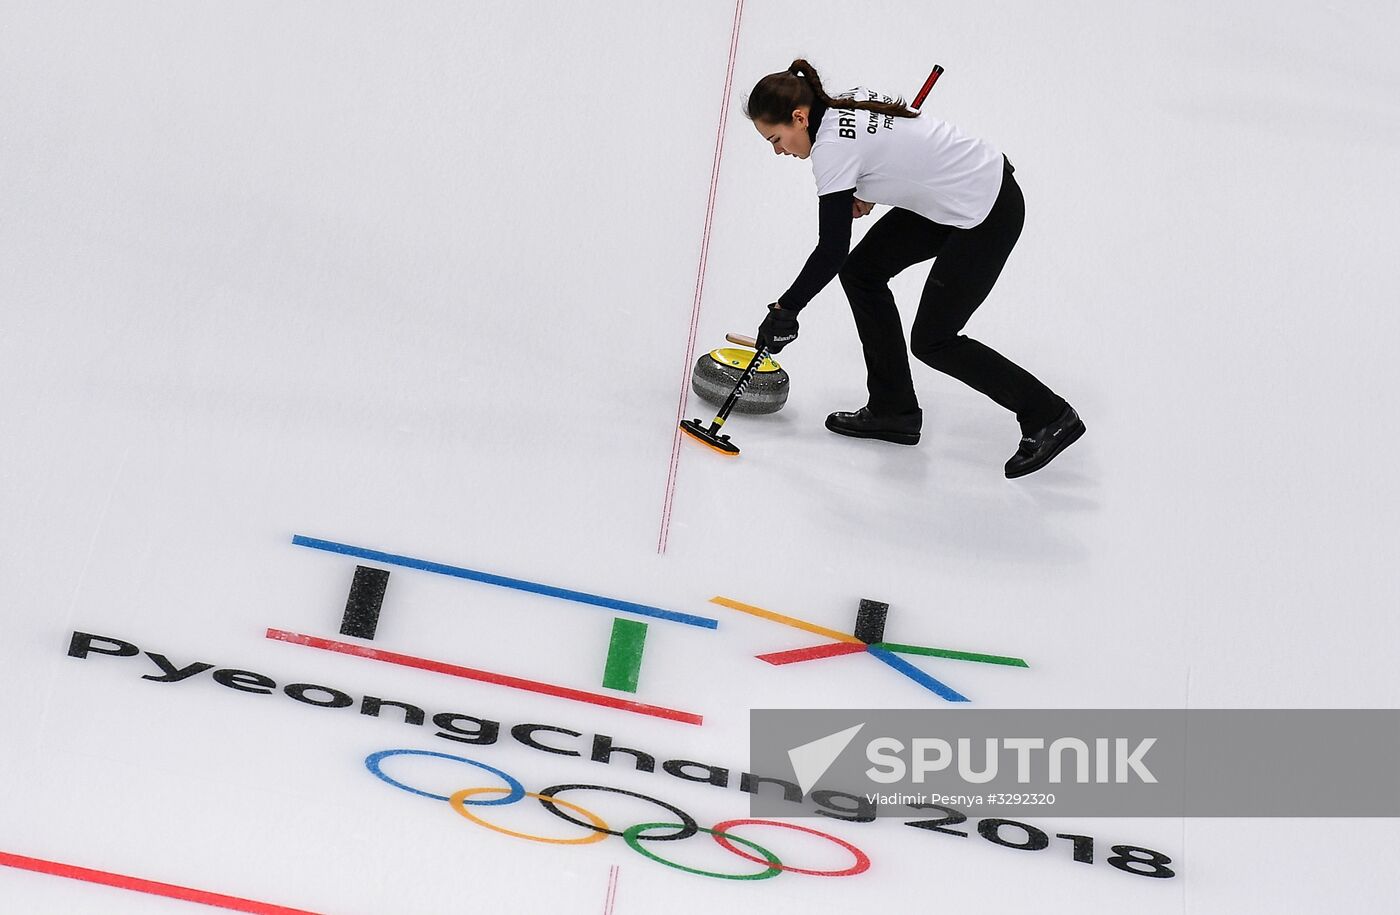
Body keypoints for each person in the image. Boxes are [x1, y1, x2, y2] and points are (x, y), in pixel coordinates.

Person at [747, 59, 1084, 478]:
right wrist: (867, 186)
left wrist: (786, 308)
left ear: (800, 117)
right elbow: (899, 154)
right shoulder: (842, 101)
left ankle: (1048, 414)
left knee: (934, 339)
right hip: (955, 193)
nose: (779, 150)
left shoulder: (832, 148)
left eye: (776, 138)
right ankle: (893, 410)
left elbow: (830, 250)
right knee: (862, 271)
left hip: (987, 206)